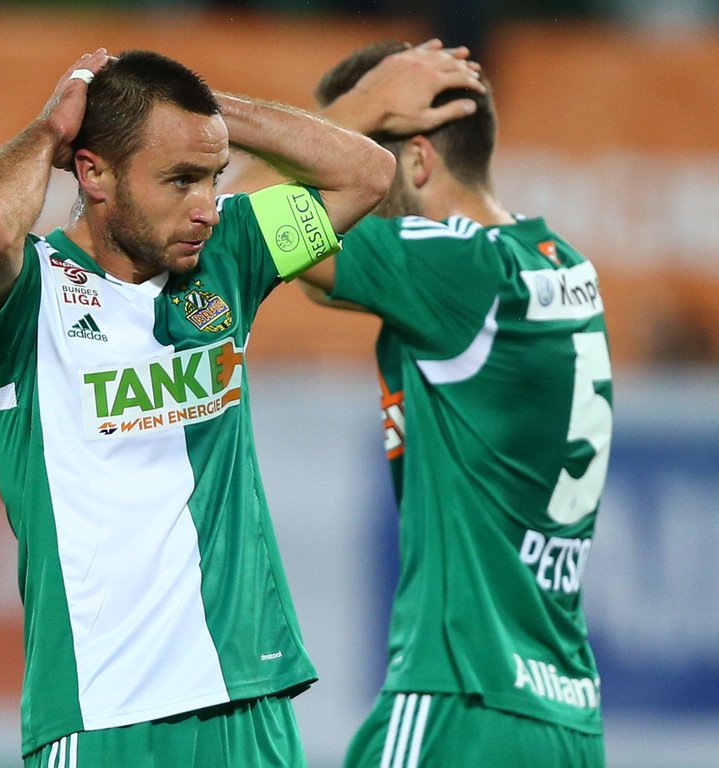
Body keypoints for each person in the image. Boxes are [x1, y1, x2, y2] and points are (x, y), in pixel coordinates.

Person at [0, 46, 483, 768]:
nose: (203, 207)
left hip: (249, 697)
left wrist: (203, 115)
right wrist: (52, 130)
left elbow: (366, 174)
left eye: (212, 177)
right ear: (94, 173)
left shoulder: (230, 256)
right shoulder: (26, 302)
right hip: (106, 716)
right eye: (178, 180)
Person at [222, 40, 613, 767]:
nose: (341, 184)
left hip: (458, 700)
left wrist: (356, 110)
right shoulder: (559, 265)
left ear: (417, 161)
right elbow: (314, 274)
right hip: (565, 716)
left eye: (355, 162)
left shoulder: (454, 267)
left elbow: (236, 227)